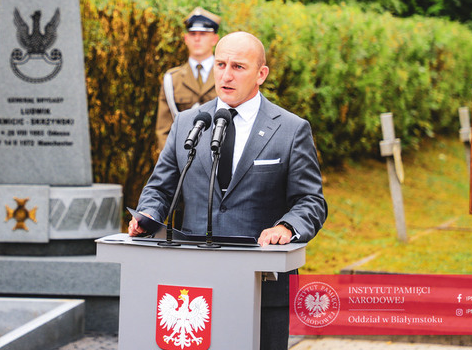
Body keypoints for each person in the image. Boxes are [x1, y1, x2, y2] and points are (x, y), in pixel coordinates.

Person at [130, 31, 328, 350]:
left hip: (262, 285)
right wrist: (148, 215)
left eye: (238, 66)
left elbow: (311, 201)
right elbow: (161, 187)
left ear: (261, 74)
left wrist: (287, 227)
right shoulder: (188, 123)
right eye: (220, 64)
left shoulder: (291, 130)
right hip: (193, 287)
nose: (225, 75)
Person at [154, 7, 221, 155]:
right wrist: (172, 163)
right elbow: (163, 129)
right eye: (192, 34)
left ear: (214, 39)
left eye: (203, 34)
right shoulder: (172, 79)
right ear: (186, 39)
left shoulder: (226, 76)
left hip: (219, 156)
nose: (197, 39)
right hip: (183, 156)